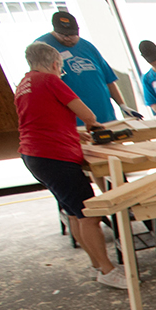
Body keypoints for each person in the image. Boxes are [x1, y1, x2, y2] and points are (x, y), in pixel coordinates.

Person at [15, 42, 125, 289]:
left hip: (36, 155)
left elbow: (41, 120)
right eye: (61, 68)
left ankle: (98, 264)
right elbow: (88, 115)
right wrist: (92, 126)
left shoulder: (24, 84)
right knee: (89, 215)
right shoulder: (50, 80)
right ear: (55, 64)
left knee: (75, 215)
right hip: (55, 157)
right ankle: (108, 271)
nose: (60, 72)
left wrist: (73, 134)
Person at [35, 11, 138, 124]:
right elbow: (44, 87)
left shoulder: (88, 47)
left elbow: (109, 80)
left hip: (105, 115)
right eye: (64, 35)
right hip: (76, 120)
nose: (68, 39)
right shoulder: (43, 47)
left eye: (72, 35)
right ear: (55, 31)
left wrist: (122, 105)